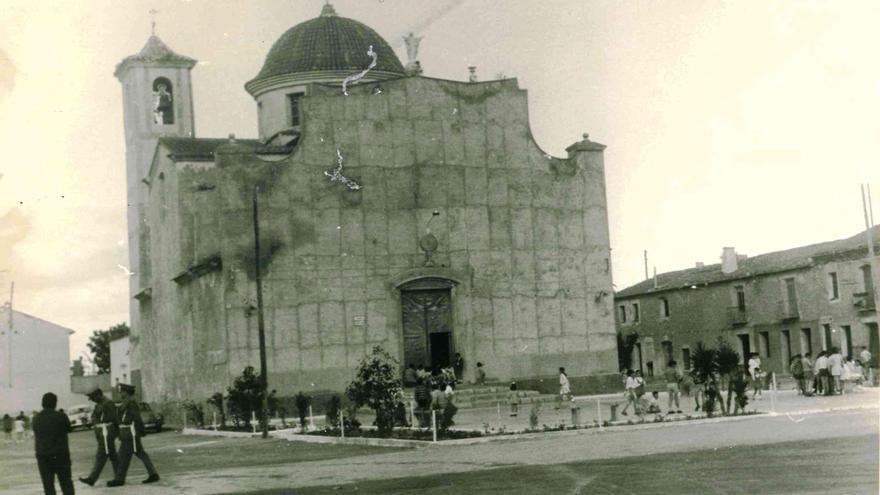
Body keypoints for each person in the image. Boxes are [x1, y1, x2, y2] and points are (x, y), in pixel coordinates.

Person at [107, 384, 159, 487]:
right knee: (140, 454)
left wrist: (141, 431)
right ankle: (153, 474)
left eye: (121, 391)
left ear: (126, 392)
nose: (120, 393)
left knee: (122, 457)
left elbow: (137, 418)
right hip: (128, 433)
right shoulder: (127, 402)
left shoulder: (131, 403)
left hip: (130, 434)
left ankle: (119, 479)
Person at [33, 392, 75, 495]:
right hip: (61, 454)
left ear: (42, 403)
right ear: (55, 403)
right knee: (66, 483)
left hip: (43, 456)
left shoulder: (36, 418)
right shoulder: (61, 416)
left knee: (48, 485)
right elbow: (69, 429)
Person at [78, 388, 119, 487]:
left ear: (99, 395)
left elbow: (114, 418)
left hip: (107, 433)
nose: (91, 400)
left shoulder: (108, 404)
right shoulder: (100, 404)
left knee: (101, 456)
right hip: (103, 433)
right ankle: (119, 477)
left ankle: (92, 478)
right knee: (113, 456)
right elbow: (94, 418)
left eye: (92, 397)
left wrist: (116, 432)